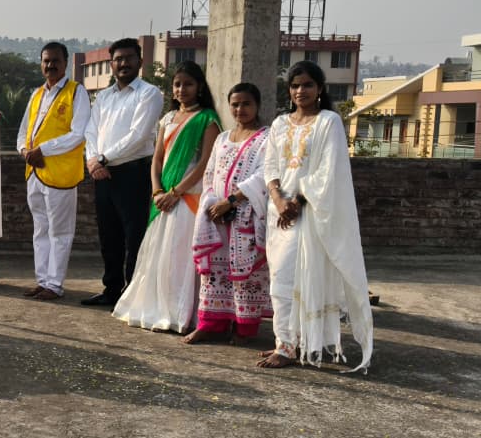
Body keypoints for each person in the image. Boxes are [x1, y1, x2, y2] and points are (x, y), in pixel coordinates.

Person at [259, 61, 373, 371]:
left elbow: (329, 169)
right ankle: (287, 341)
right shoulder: (280, 124)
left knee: (296, 279)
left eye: (307, 85)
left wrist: (296, 200)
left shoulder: (329, 122)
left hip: (310, 213)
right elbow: (270, 166)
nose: (300, 91)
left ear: (319, 88)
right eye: (295, 86)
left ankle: (290, 346)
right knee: (279, 281)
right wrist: (278, 199)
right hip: (278, 214)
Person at [113, 61, 220, 332]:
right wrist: (158, 190)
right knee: (159, 256)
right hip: (163, 197)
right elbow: (157, 158)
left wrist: (176, 192)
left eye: (188, 84)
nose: (182, 89)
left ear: (199, 87)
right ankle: (157, 307)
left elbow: (206, 163)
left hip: (188, 197)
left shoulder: (208, 119)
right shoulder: (167, 119)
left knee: (180, 256)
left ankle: (182, 313)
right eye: (177, 84)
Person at [185, 82, 272, 344]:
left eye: (246, 103)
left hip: (245, 214)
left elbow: (264, 176)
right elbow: (210, 174)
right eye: (235, 104)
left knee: (246, 277)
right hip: (217, 216)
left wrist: (232, 201)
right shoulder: (223, 138)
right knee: (215, 274)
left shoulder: (266, 138)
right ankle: (211, 324)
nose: (240, 109)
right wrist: (213, 202)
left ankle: (243, 328)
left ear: (257, 105)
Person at [82, 38, 164, 306]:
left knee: (134, 234)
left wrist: (103, 158)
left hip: (133, 173)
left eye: (129, 58)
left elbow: (138, 136)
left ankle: (133, 293)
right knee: (109, 235)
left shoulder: (149, 93)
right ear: (111, 64)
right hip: (103, 175)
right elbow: (91, 131)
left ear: (140, 62)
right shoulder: (104, 97)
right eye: (118, 59)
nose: (124, 63)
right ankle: (111, 289)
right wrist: (93, 160)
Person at [16, 42, 90, 300]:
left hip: (60, 173)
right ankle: (43, 279)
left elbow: (79, 134)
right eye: (46, 61)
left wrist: (43, 150)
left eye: (55, 60)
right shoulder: (37, 94)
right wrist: (25, 151)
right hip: (34, 171)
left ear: (66, 62)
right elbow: (24, 131)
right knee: (40, 229)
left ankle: (55, 284)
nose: (50, 65)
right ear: (41, 63)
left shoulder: (76, 92)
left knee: (60, 231)